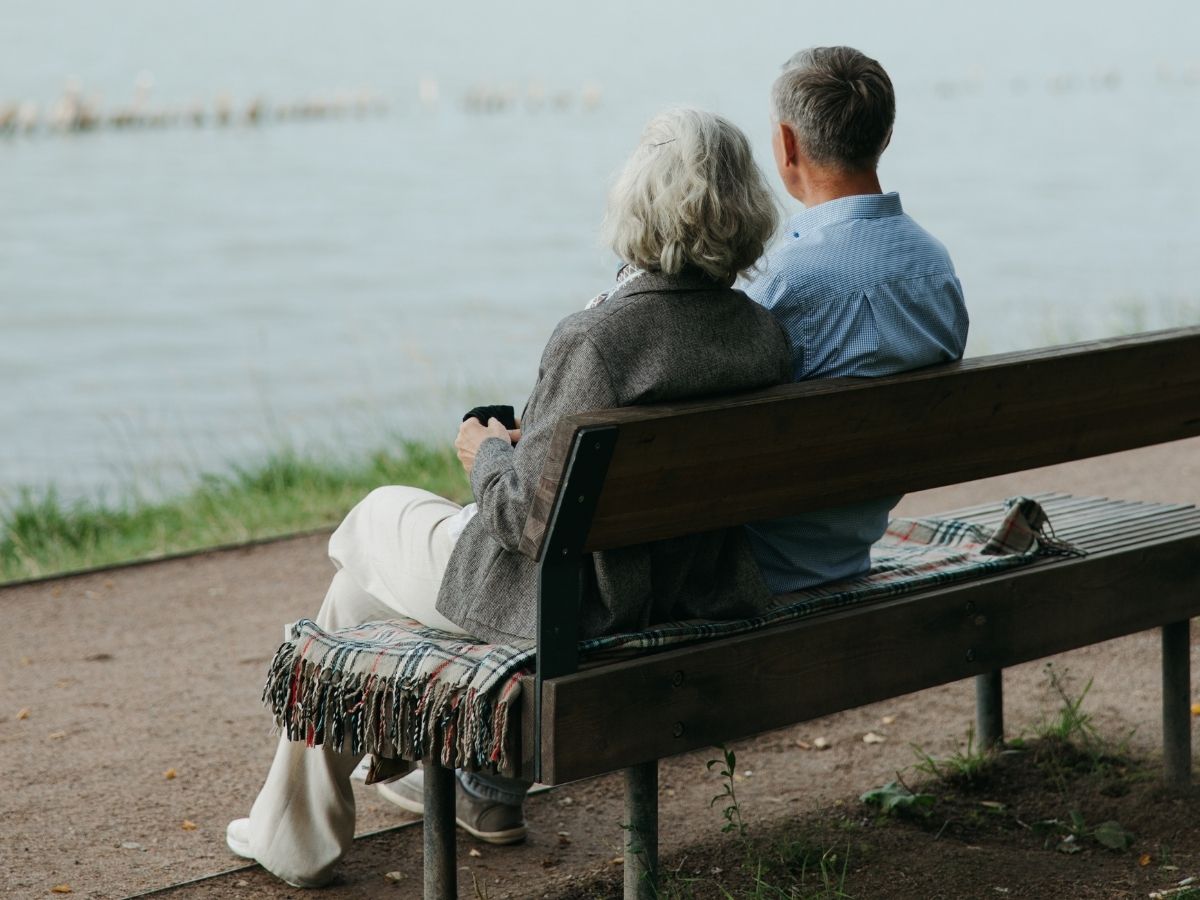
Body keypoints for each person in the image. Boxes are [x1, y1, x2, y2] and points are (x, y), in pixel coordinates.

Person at [225, 106, 793, 888]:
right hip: (682, 586)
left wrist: (486, 449)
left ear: (637, 206)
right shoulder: (763, 334)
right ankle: (454, 793)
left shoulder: (595, 338)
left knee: (371, 522)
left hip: (573, 602)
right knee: (355, 594)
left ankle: (310, 827)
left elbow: (524, 521)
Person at [743, 46, 970, 594]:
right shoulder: (935, 268)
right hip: (855, 541)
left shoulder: (780, 282)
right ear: (884, 137)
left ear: (787, 144)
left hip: (756, 562)